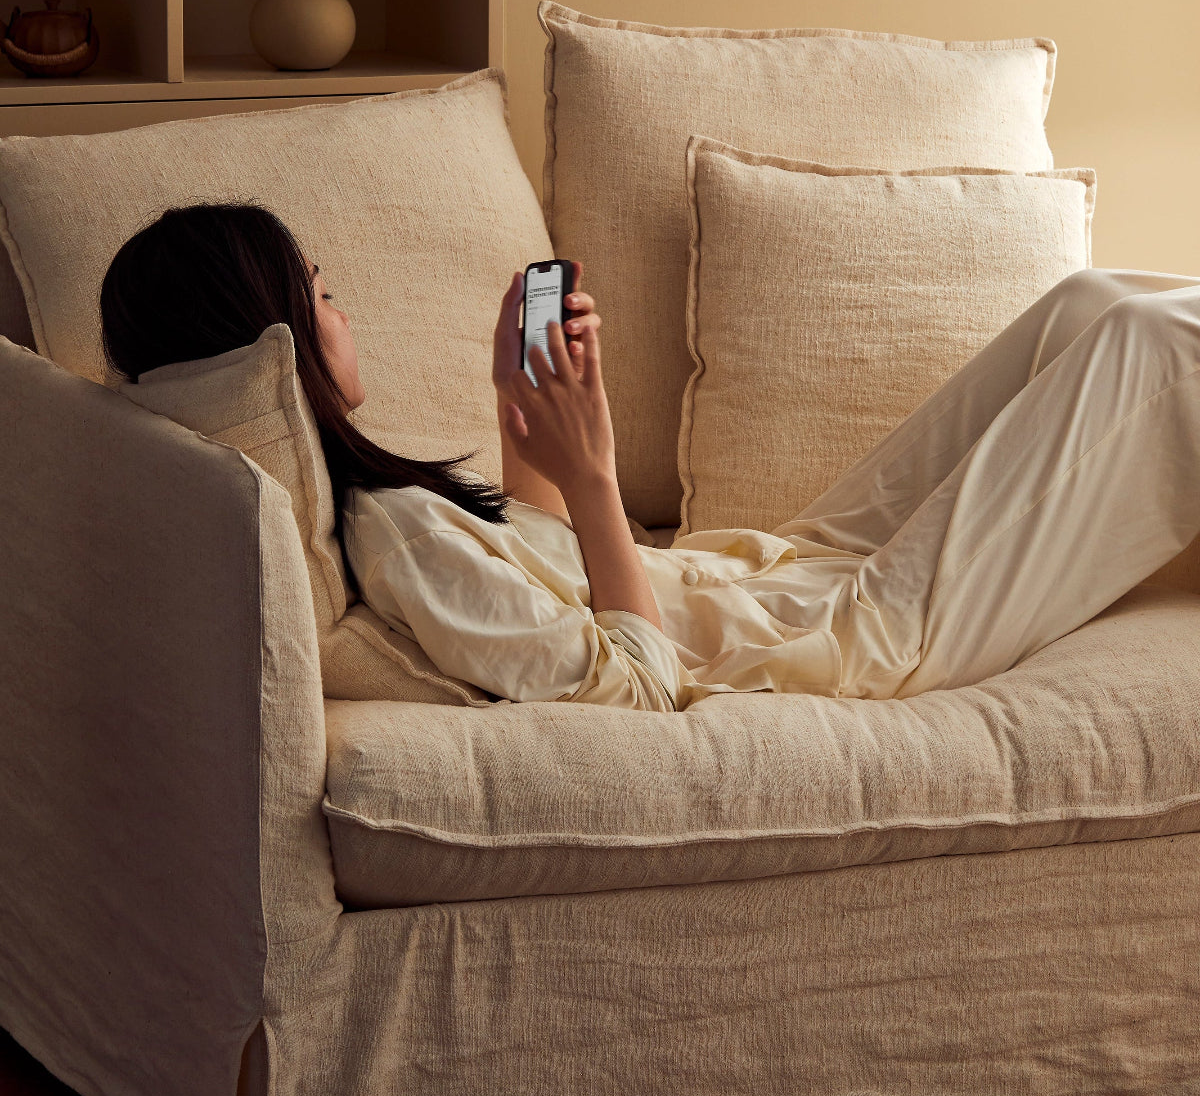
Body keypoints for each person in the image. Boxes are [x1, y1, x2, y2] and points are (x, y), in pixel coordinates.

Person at [100, 201, 1200, 713]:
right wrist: (591, 479)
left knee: (1089, 302)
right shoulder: (392, 545)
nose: (347, 315)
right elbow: (635, 683)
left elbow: (552, 578)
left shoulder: (382, 510)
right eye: (325, 294)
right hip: (841, 640)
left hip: (784, 570)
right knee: (1156, 350)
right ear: (279, 339)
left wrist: (523, 411)